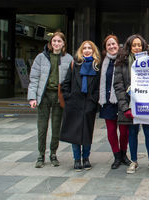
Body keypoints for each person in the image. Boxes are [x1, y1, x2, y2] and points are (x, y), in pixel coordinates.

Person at [113, 34, 149, 174]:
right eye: (134, 45)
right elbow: (118, 86)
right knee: (132, 133)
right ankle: (133, 161)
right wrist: (125, 107)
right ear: (129, 46)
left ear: (143, 46)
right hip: (130, 104)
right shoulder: (121, 62)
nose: (137, 47)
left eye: (139, 45)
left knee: (148, 133)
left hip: (147, 103)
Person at [28, 32, 73, 168]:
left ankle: (53, 153)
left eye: (59, 41)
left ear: (64, 43)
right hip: (44, 95)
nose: (56, 43)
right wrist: (32, 97)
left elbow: (70, 79)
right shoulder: (41, 58)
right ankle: (41, 154)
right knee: (42, 127)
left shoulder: (68, 58)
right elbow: (34, 78)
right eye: (54, 41)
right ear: (50, 42)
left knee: (56, 127)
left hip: (59, 96)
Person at [60, 40, 101, 171]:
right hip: (74, 104)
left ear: (94, 51)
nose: (87, 50)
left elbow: (99, 86)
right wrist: (68, 98)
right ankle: (77, 159)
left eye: (90, 48)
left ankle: (86, 158)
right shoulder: (74, 65)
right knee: (75, 133)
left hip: (89, 104)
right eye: (85, 48)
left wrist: (94, 100)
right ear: (81, 51)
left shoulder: (96, 66)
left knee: (87, 133)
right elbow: (66, 83)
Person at [99, 35, 131, 169]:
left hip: (122, 100)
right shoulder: (102, 62)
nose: (112, 47)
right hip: (107, 101)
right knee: (111, 131)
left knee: (124, 131)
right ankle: (117, 156)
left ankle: (124, 154)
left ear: (119, 45)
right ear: (105, 48)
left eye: (114, 44)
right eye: (108, 45)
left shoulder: (124, 60)